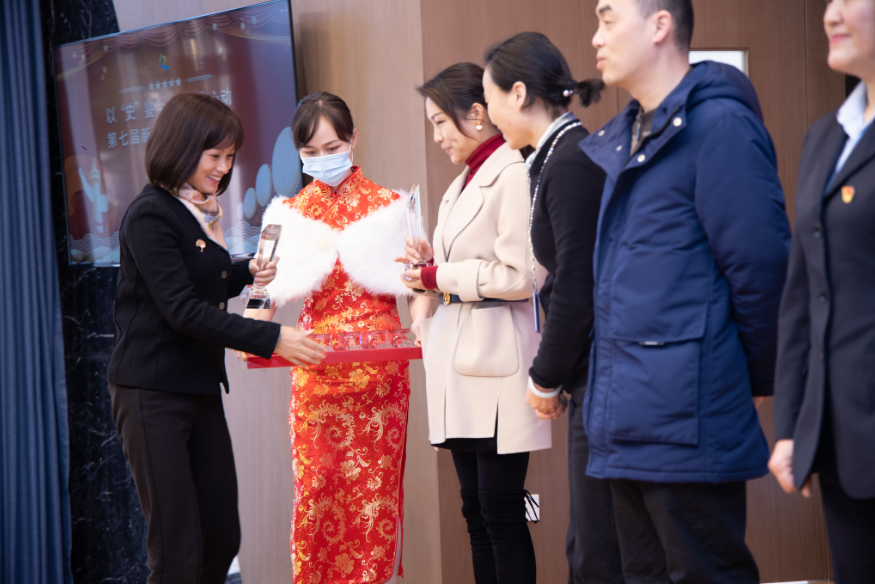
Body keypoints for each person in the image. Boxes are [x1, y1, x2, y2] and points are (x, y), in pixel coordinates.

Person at [579, 1, 791, 582]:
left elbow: (762, 268)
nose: (595, 37)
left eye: (608, 19)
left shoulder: (719, 127)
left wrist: (757, 378)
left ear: (660, 26)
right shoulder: (629, 135)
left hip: (689, 414)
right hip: (627, 415)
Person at [107, 93, 325, 584]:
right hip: (151, 394)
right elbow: (182, 311)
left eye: (230, 157)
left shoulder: (195, 209)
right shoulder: (150, 214)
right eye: (215, 156)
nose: (224, 168)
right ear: (182, 147)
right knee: (177, 553)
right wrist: (271, 338)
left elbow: (202, 278)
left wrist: (246, 271)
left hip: (198, 390)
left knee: (222, 538)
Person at [240, 92, 422, 584]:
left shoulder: (392, 207)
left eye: (333, 147)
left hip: (381, 381)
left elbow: (417, 292)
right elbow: (262, 296)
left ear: (354, 139)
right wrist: (248, 328)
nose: (323, 159)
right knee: (317, 492)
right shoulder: (286, 215)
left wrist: (423, 325)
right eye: (311, 152)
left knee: (374, 496)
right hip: (316, 374)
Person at [398, 62, 550, 584]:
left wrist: (437, 274)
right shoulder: (463, 180)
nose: (437, 136)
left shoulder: (512, 171)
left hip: (497, 360)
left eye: (441, 122)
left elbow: (521, 275)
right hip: (462, 364)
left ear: (478, 114)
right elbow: (459, 267)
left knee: (502, 514)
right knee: (476, 514)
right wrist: (429, 265)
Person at [482, 32, 625, 584]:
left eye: (490, 99)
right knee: (590, 541)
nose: (488, 114)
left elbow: (575, 285)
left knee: (598, 547)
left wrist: (545, 377)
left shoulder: (569, 162)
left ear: (519, 94)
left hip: (603, 373)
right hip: (589, 372)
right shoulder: (552, 158)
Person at [769, 1, 875, 582]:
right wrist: (792, 425)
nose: (831, 14)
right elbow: (804, 295)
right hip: (840, 439)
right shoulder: (826, 136)